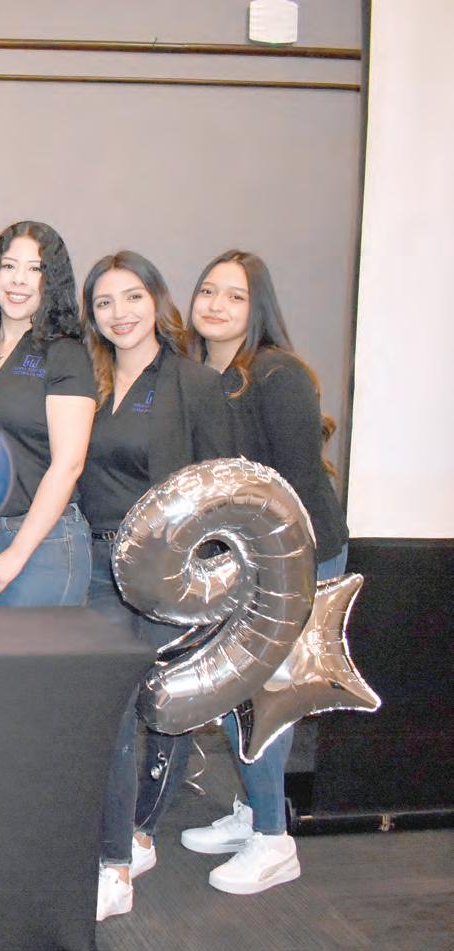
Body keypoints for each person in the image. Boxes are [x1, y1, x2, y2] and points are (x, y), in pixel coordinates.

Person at [178, 250, 350, 895]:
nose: (216, 305)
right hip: (242, 555)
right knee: (237, 692)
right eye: (208, 291)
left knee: (264, 698)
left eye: (235, 296)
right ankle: (254, 811)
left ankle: (275, 841)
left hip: (293, 554)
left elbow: (295, 485)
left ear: (259, 309)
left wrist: (274, 570)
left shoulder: (278, 374)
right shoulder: (204, 376)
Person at [76, 251, 234, 921]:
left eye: (132, 296)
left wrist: (214, 584)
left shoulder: (193, 382)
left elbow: (223, 486)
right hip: (91, 563)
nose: (120, 313)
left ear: (156, 300)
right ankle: (113, 857)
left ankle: (138, 833)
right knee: (109, 708)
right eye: (104, 301)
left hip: (164, 570)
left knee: (164, 710)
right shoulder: (85, 378)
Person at [0, 221, 96, 607]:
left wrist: (16, 554)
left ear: (52, 281)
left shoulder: (65, 354)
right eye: (10, 266)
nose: (19, 280)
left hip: (43, 546)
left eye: (35, 269)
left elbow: (68, 464)